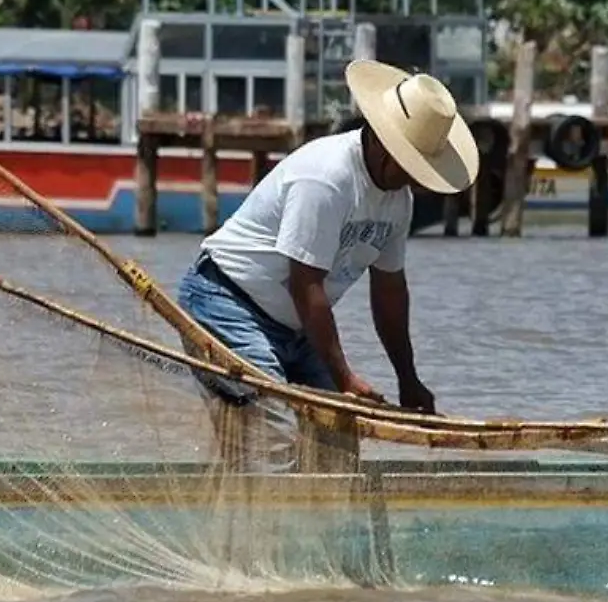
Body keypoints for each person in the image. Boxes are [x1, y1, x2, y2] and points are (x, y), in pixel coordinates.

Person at [176, 58, 480, 415]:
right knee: (269, 421)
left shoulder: (399, 201)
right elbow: (305, 284)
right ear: (384, 143)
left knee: (338, 428)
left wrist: (408, 379)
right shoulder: (326, 178)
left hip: (295, 328)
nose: (418, 180)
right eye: (413, 165)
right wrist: (344, 376)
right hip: (226, 302)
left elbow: (389, 292)